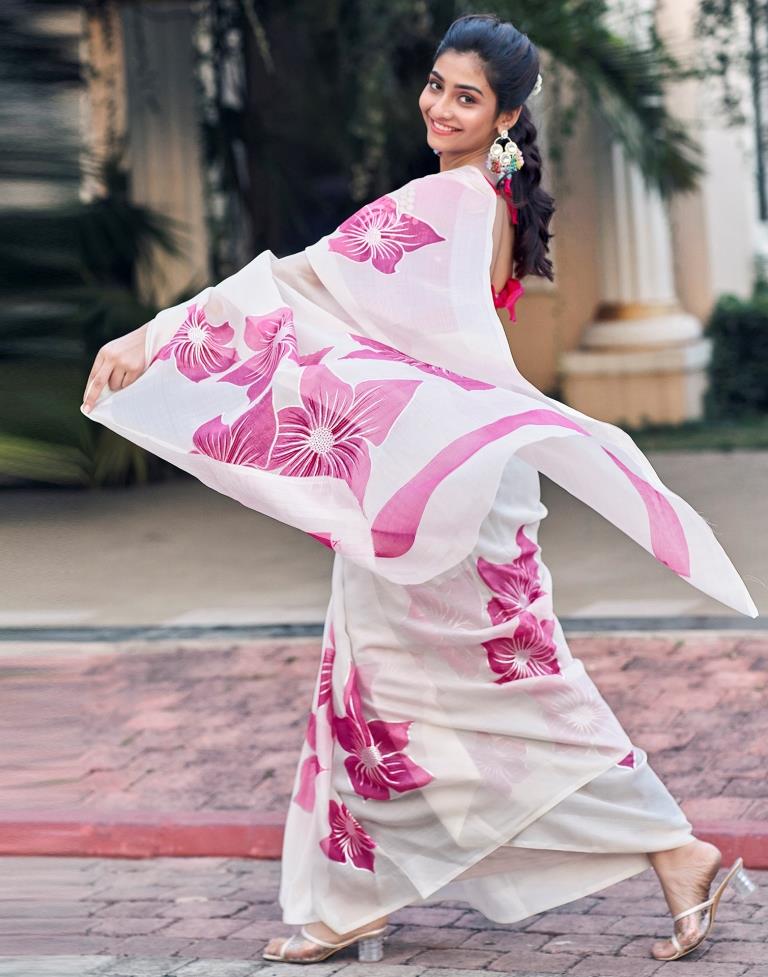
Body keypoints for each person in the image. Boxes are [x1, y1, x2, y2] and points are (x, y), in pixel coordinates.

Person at [81, 13, 757, 966]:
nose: (440, 107)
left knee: (492, 691)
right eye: (437, 84)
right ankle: (355, 896)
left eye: (467, 97)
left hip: (449, 490)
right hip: (456, 475)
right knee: (374, 682)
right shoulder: (491, 199)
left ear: (506, 115)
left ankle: (674, 850)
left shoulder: (449, 201)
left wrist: (152, 339)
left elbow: (303, 285)